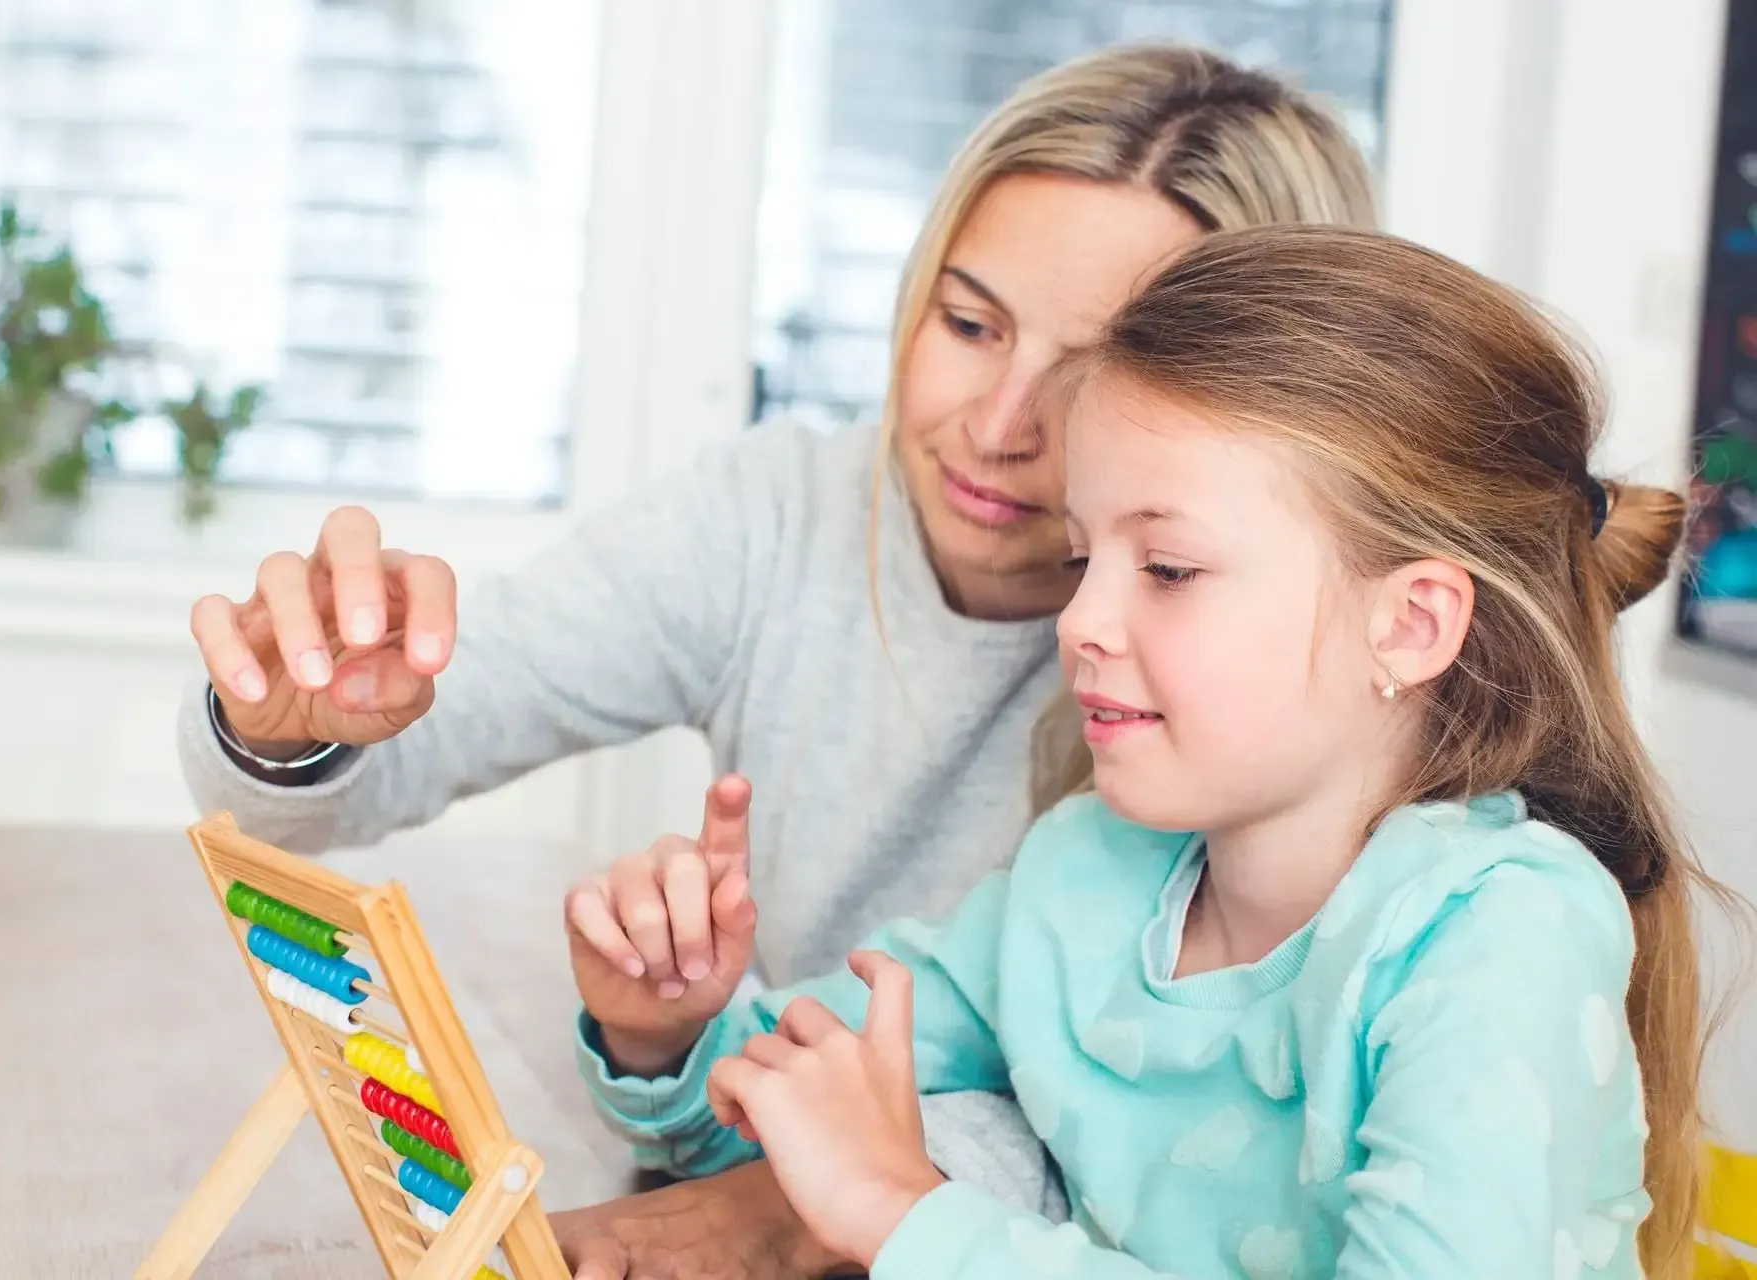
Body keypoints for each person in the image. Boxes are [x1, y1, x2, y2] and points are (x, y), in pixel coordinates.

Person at [177, 44, 1376, 1274]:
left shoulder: (1262, 682)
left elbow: (1177, 1145)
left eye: (1094, 374)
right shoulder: (776, 516)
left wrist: (793, 1205)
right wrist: (294, 714)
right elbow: (397, 745)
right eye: (969, 323)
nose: (999, 424)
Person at [568, 224, 1727, 1279]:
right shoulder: (1088, 870)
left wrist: (905, 1210)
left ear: (1411, 623)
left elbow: (876, 1186)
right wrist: (666, 1016)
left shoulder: (1496, 931)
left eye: (1167, 570)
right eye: (1083, 559)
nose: (1079, 623)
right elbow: (808, 1095)